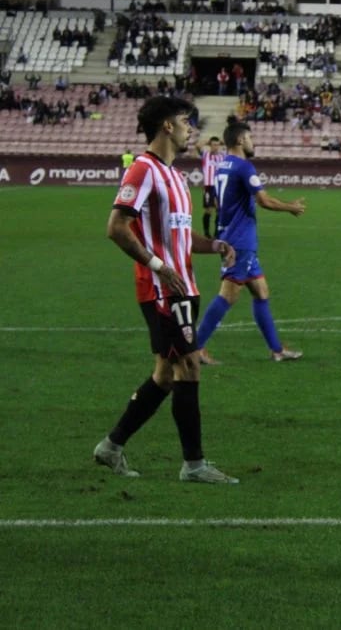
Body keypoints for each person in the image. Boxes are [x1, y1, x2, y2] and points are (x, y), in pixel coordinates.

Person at [93, 95, 239, 484]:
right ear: (167, 126)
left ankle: (112, 446)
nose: (192, 126)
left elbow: (180, 235)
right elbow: (116, 227)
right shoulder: (143, 170)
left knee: (165, 374)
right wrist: (158, 265)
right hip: (161, 288)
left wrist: (216, 245)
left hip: (183, 285)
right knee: (189, 366)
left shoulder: (175, 175)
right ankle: (194, 464)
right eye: (185, 120)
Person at [194, 122, 306, 364]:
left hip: (233, 235)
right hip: (239, 242)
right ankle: (196, 347)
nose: (253, 142)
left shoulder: (223, 165)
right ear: (240, 141)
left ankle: (277, 350)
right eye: (250, 138)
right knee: (229, 295)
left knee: (261, 291)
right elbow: (264, 200)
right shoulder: (244, 167)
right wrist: (290, 207)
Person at [196, 137, 225, 237]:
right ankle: (207, 232)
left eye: (217, 145)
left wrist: (222, 141)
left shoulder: (222, 156)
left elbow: (230, 147)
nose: (215, 147)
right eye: (213, 145)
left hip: (219, 186)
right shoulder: (205, 155)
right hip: (209, 186)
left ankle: (217, 232)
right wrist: (206, 141)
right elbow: (198, 146)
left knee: (219, 209)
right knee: (208, 209)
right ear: (210, 145)